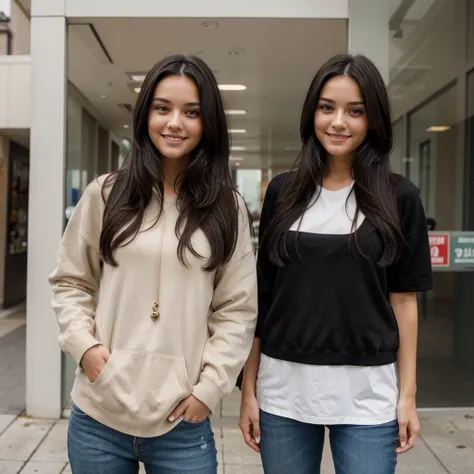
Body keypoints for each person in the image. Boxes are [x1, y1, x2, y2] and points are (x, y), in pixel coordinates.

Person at [49, 53, 257, 474]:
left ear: (208, 123)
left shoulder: (225, 206)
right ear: (145, 115)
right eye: (163, 108)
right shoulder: (105, 195)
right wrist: (86, 349)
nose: (174, 123)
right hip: (98, 419)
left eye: (191, 112)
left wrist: (210, 389)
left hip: (181, 420)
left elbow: (236, 309)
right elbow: (70, 281)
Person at [239, 54, 433, 474]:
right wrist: (248, 388)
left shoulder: (400, 197)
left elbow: (404, 303)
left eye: (355, 111)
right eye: (327, 108)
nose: (338, 122)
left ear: (373, 119)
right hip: (283, 391)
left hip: (367, 395)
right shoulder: (283, 193)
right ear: (312, 113)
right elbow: (264, 295)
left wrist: (408, 396)